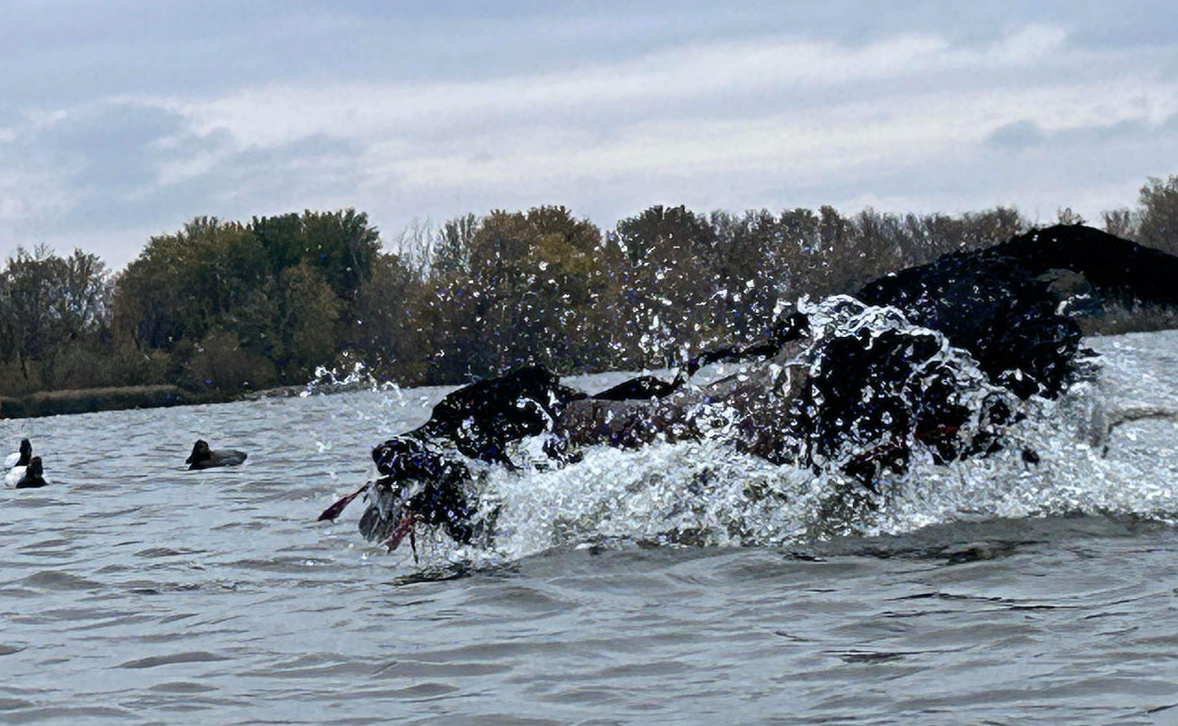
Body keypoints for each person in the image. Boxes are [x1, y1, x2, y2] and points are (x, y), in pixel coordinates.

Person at [322, 224, 1178, 549]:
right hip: (846, 373)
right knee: (675, 420)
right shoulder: (862, 372)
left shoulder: (903, 358)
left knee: (675, 420)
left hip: (862, 365)